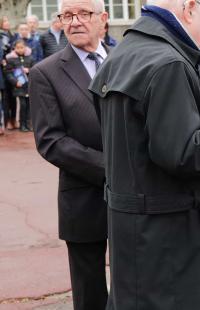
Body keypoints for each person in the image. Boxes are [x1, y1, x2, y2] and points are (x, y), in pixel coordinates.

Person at [88, 0, 200, 309]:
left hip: (136, 236)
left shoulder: (123, 53)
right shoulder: (169, 62)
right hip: (176, 243)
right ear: (190, 8)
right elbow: (182, 151)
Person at [29, 0, 110, 308]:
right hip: (83, 199)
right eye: (67, 15)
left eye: (84, 13)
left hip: (134, 195)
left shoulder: (124, 61)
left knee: (137, 282)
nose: (75, 21)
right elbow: (50, 141)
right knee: (89, 292)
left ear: (103, 18)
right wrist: (111, 167)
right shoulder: (45, 72)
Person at [5, 40, 34, 132]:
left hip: (29, 85)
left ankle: (29, 124)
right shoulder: (11, 59)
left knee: (30, 105)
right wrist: (15, 82)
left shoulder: (30, 58)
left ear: (25, 47)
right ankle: (22, 125)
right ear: (14, 48)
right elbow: (8, 73)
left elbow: (36, 68)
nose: (20, 49)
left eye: (22, 47)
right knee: (22, 105)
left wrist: (29, 70)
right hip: (19, 86)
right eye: (18, 48)